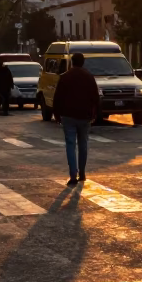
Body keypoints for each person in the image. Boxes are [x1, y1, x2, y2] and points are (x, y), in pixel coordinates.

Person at [54, 53, 100, 186]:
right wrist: (95, 112)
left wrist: (57, 114)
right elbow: (95, 97)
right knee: (83, 144)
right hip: (85, 115)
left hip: (68, 115)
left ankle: (73, 175)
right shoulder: (89, 77)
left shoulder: (65, 77)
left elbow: (58, 97)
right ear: (83, 62)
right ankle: (83, 173)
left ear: (72, 62)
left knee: (70, 144)